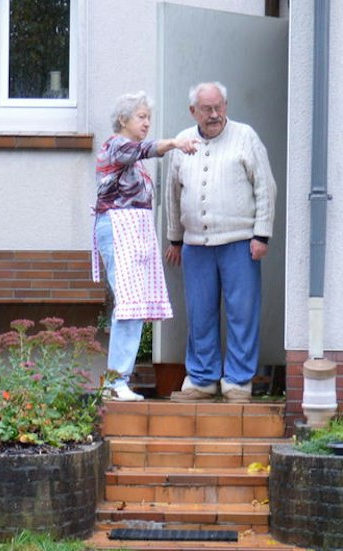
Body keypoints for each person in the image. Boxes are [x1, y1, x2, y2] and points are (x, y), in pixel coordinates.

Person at [160, 81, 276, 404]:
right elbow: (173, 193)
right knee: (199, 313)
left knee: (242, 312)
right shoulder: (183, 143)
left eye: (219, 107)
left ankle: (238, 381)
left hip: (240, 241)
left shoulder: (245, 137)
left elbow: (265, 187)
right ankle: (202, 379)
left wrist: (261, 234)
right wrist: (175, 238)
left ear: (226, 105)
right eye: (207, 109)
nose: (214, 115)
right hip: (196, 244)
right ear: (193, 111)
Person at [93, 92, 196, 401]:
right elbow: (144, 149)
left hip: (134, 233)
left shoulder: (133, 160)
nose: (147, 122)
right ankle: (115, 382)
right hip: (118, 228)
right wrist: (176, 143)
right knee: (128, 305)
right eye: (141, 117)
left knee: (134, 306)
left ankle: (118, 380)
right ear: (123, 120)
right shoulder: (116, 146)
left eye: (148, 117)